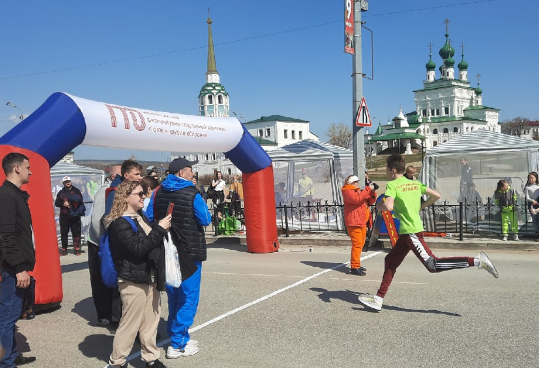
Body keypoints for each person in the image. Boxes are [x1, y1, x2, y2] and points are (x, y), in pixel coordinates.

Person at [358, 154, 499, 312]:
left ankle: (477, 261)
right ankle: (378, 299)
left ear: (392, 170)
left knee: (433, 265)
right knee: (390, 261)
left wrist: (378, 206)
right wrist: (421, 206)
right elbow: (436, 195)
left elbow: (389, 206)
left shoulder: (393, 185)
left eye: (386, 169)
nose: (385, 172)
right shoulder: (415, 183)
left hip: (411, 232)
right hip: (407, 233)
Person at [147, 157, 212, 359]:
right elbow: (205, 218)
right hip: (189, 250)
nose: (193, 173)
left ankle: (178, 335)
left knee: (174, 294)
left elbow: (150, 216)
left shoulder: (158, 191)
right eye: (190, 169)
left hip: (166, 248)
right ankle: (178, 343)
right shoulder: (192, 192)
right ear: (182, 172)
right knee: (189, 297)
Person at [105, 181, 171, 368]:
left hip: (150, 276)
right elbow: (137, 248)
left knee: (151, 321)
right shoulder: (119, 222)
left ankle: (150, 357)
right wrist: (159, 229)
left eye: (144, 193)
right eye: (139, 194)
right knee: (130, 324)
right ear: (126, 197)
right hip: (132, 279)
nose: (144, 196)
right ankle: (117, 362)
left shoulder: (140, 216)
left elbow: (151, 242)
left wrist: (161, 230)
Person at [0, 153, 37, 366]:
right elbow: (6, 236)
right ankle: (5, 363)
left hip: (16, 267)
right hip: (12, 269)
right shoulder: (6, 195)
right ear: (16, 169)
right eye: (27, 167)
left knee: (10, 317)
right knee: (5, 317)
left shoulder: (15, 195)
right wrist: (19, 268)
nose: (30, 171)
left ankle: (11, 356)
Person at [86, 165, 120, 327]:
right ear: (113, 176)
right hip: (99, 242)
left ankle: (113, 312)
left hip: (109, 241)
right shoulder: (104, 192)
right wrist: (105, 244)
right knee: (101, 279)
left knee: (112, 279)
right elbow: (97, 221)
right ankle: (104, 314)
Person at [342, 175, 377, 276]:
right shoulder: (347, 191)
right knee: (357, 244)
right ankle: (354, 266)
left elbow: (370, 201)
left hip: (361, 221)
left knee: (360, 244)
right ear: (351, 183)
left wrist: (372, 192)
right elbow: (357, 199)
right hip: (354, 222)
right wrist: (367, 189)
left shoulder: (358, 191)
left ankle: (356, 263)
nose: (357, 183)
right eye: (356, 181)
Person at [55, 176, 85, 256]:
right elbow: (56, 203)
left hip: (74, 214)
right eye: (66, 182)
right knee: (64, 232)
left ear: (71, 182)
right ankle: (64, 248)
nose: (67, 183)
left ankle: (76, 248)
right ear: (63, 183)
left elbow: (80, 201)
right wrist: (63, 204)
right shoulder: (61, 192)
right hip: (64, 215)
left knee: (76, 232)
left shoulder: (76, 191)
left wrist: (71, 202)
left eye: (68, 181)